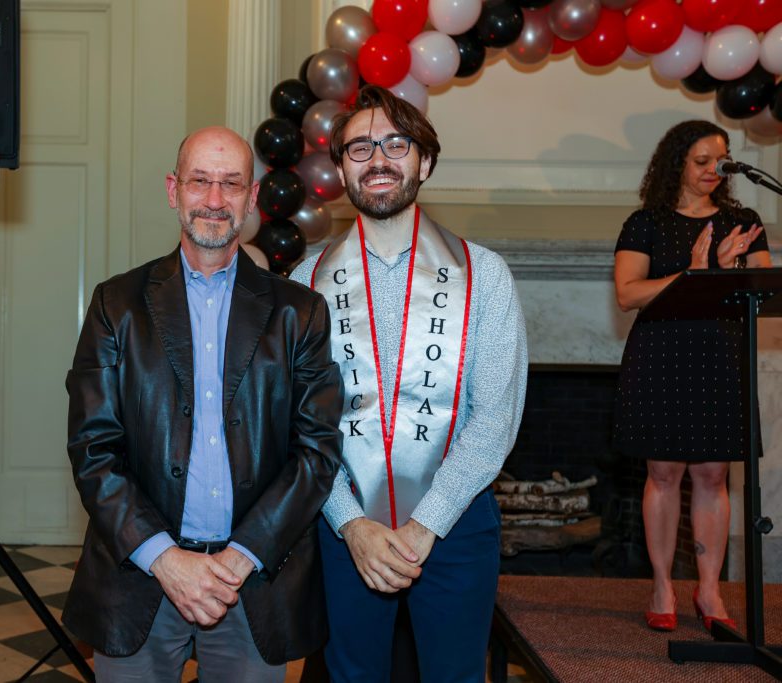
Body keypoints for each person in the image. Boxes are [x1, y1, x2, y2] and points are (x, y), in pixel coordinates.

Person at [62, 126, 344, 682]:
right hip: (138, 577)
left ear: (252, 197)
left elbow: (317, 453)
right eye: (200, 182)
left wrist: (237, 560)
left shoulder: (300, 313)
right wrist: (167, 560)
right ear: (174, 190)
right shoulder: (115, 304)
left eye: (231, 184)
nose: (214, 201)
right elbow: (93, 448)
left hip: (255, 581)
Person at [290, 86, 528, 683]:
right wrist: (352, 523)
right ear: (341, 166)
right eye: (360, 147)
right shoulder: (304, 282)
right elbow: (299, 422)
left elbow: (495, 418)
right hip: (346, 528)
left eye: (396, 144)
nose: (378, 160)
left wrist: (427, 525)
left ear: (423, 161)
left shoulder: (485, 276)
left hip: (455, 526)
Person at [613, 119, 771, 633]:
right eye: (701, 161)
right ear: (676, 162)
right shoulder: (647, 222)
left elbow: (764, 292)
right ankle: (662, 585)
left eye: (720, 161)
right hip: (662, 353)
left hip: (719, 356)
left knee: (713, 475)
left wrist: (726, 267)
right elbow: (628, 293)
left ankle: (708, 588)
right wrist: (693, 270)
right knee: (664, 474)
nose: (712, 170)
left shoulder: (742, 221)